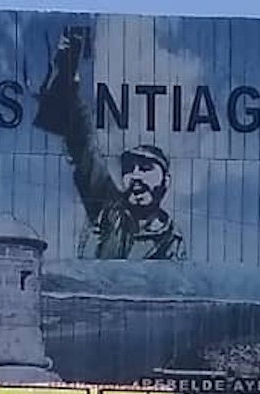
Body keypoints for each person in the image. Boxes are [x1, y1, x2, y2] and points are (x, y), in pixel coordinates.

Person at [34, 33, 187, 261]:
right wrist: (68, 77)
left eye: (145, 168)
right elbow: (83, 147)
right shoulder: (108, 211)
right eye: (129, 169)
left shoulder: (171, 241)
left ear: (166, 181)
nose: (135, 176)